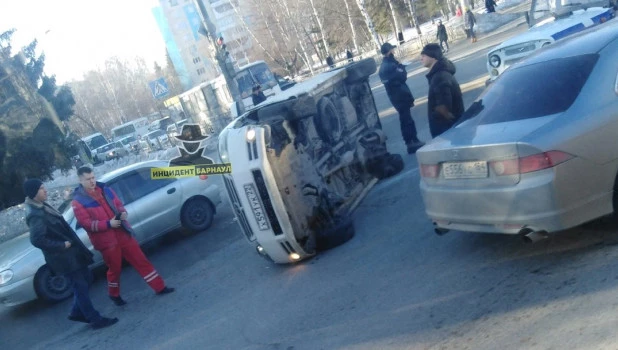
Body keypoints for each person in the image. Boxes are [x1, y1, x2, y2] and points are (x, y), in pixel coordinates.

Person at [71, 167, 175, 306]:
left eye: (93, 178)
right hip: (106, 241)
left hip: (122, 232)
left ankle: (160, 287)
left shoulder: (105, 189)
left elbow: (118, 204)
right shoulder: (78, 202)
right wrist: (109, 224)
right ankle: (114, 294)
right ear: (80, 180)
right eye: (88, 179)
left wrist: (122, 213)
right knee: (115, 269)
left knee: (141, 260)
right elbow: (87, 224)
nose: (92, 181)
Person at [23, 179, 118, 330]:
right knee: (80, 285)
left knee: (87, 278)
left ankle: (76, 312)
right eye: (41, 188)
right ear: (34, 193)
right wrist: (61, 246)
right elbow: (37, 239)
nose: (45, 190)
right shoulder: (36, 214)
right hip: (64, 257)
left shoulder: (41, 206)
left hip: (71, 254)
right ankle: (95, 319)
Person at [378, 42, 425, 154]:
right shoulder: (390, 65)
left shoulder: (385, 66)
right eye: (392, 50)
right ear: (389, 51)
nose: (394, 51)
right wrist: (401, 68)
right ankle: (411, 142)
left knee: (406, 119)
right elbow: (402, 77)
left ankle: (413, 140)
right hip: (400, 96)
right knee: (406, 120)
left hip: (397, 96)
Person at [420, 44, 465, 138]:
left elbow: (444, 108)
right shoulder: (440, 73)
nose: (421, 59)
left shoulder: (439, 77)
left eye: (424, 55)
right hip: (452, 129)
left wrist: (435, 114)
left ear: (433, 57)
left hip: (447, 132)